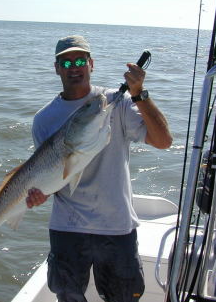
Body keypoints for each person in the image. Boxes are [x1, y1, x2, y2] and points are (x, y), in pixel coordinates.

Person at [26, 35, 172, 302]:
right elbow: (50, 176)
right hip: (67, 228)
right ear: (56, 68)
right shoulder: (44, 119)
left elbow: (164, 141)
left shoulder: (116, 103)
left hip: (116, 226)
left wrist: (140, 94)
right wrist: (39, 195)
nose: (74, 67)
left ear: (91, 64)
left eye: (80, 60)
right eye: (66, 62)